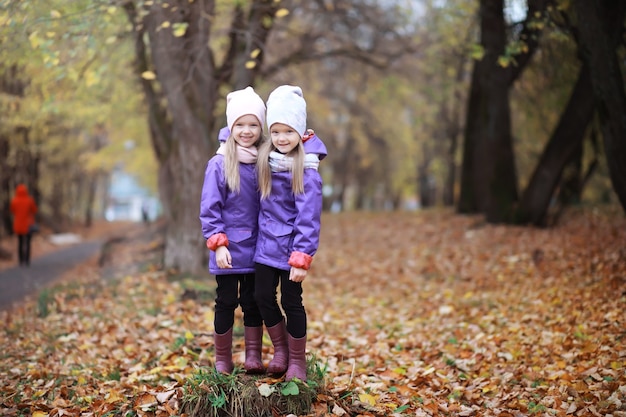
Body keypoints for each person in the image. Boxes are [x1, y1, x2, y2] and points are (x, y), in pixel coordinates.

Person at [254, 85, 327, 381]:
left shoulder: (306, 170)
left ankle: (297, 360)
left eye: (288, 131)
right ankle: (280, 349)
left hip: (291, 248)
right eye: (276, 132)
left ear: (300, 131)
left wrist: (301, 257)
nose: (282, 138)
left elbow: (309, 218)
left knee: (292, 301)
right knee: (262, 297)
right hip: (264, 244)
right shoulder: (265, 161)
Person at [199, 86, 266, 374]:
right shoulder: (219, 163)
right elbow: (210, 208)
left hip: (258, 247)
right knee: (225, 301)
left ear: (262, 127)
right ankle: (223, 359)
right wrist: (218, 243)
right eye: (240, 124)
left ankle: (253, 355)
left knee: (253, 302)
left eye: (253, 124)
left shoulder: (267, 161)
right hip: (227, 247)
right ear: (231, 126)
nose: (246, 131)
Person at [10, 183, 38, 267]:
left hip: (18, 225)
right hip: (28, 225)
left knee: (20, 242)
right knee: (28, 242)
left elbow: (12, 210)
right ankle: (27, 260)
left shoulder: (14, 200)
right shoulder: (29, 200)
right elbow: (34, 210)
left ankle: (20, 260)